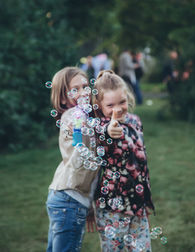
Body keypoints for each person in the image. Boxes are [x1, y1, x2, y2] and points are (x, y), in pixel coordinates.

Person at [92, 70, 155, 251]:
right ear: (99, 105)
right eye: (110, 105)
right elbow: (102, 132)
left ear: (127, 97)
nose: (118, 109)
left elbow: (140, 162)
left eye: (122, 102)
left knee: (142, 248)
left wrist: (144, 197)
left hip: (136, 202)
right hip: (113, 206)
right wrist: (109, 130)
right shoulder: (100, 126)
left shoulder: (135, 121)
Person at [46, 66, 99, 252]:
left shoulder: (85, 117)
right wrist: (80, 122)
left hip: (65, 197)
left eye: (86, 86)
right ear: (62, 98)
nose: (84, 92)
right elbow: (81, 157)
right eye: (75, 89)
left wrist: (90, 205)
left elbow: (88, 171)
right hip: (69, 202)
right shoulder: (73, 116)